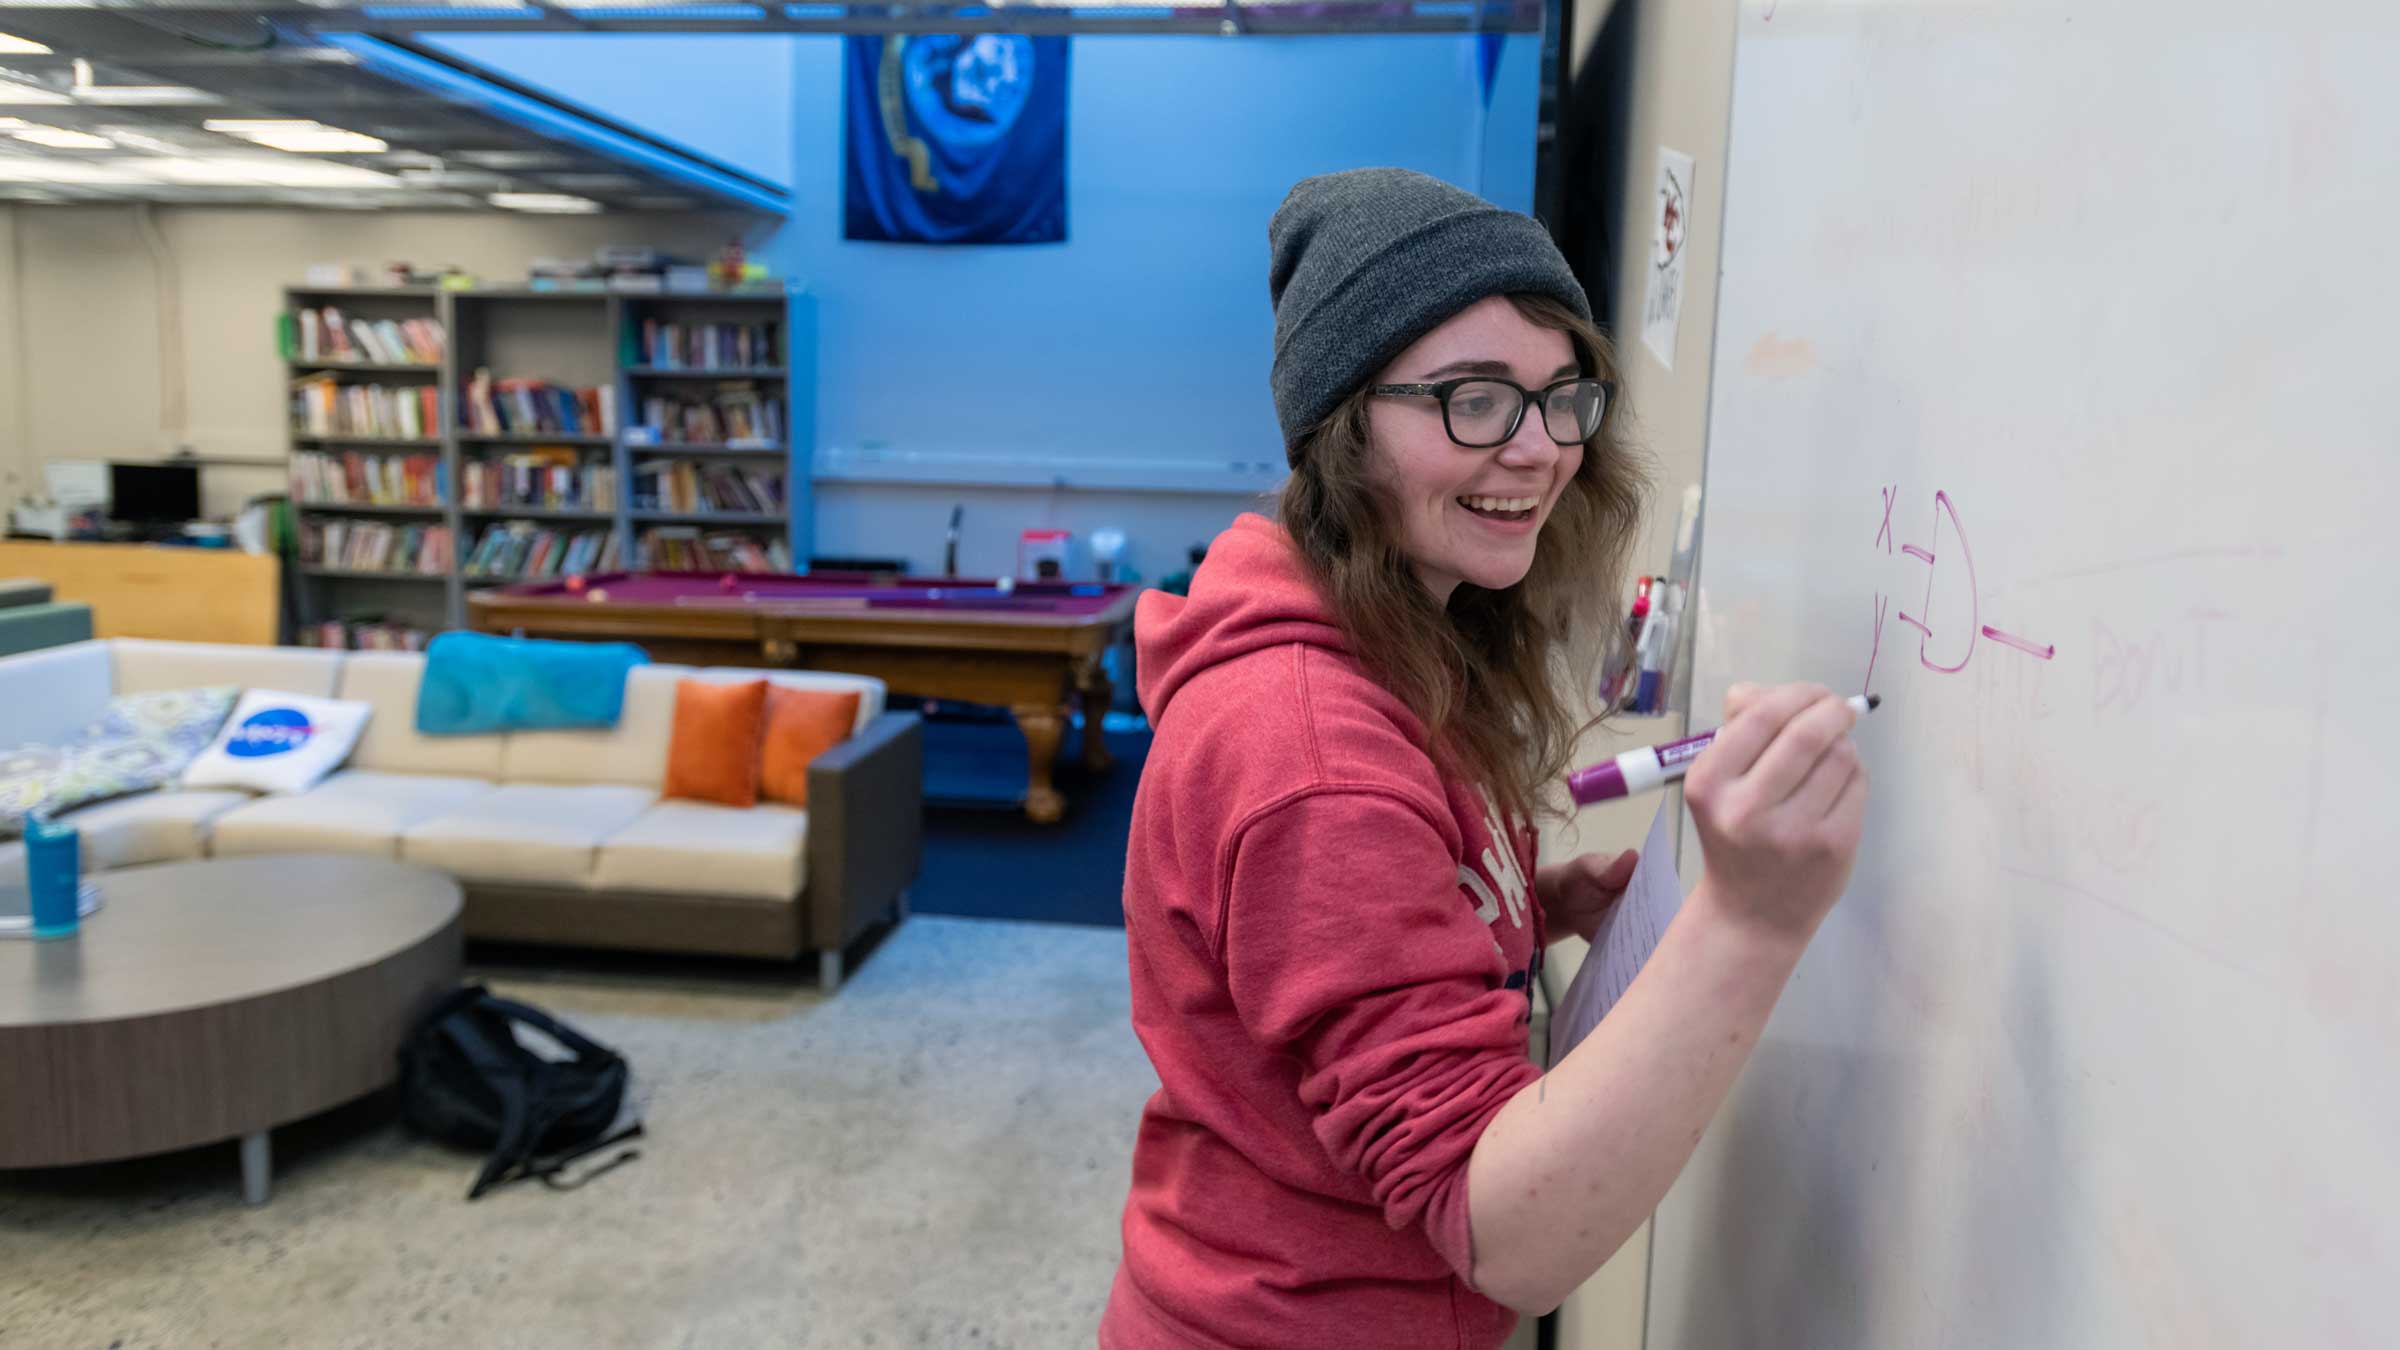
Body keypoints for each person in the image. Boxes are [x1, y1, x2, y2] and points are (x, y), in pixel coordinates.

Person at [1100, 168, 1870, 1349]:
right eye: (1472, 400)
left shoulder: (1399, 638)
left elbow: (1329, 951)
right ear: (1342, 425)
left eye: (1562, 398)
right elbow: (1506, 1232)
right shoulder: (1315, 757)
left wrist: (1504, 913)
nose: (1537, 451)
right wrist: (1753, 921)